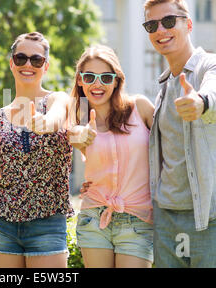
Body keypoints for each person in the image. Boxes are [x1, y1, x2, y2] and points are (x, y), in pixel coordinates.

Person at [143, 0, 216, 267]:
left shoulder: (215, 65)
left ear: (188, 24)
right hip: (168, 219)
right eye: (151, 25)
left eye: (169, 21)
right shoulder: (164, 85)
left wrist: (201, 101)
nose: (160, 30)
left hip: (214, 215)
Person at [0, 32, 74, 268]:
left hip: (47, 221)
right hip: (1, 222)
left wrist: (45, 123)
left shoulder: (58, 100)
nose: (28, 65)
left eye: (36, 60)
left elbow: (55, 118)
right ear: (12, 62)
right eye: (21, 58)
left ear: (46, 66)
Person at [68, 45, 155, 268]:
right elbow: (74, 139)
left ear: (116, 80)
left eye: (106, 77)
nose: (97, 84)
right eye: (90, 77)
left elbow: (171, 150)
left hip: (138, 218)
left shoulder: (141, 108)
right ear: (80, 80)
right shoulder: (78, 121)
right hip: (94, 216)